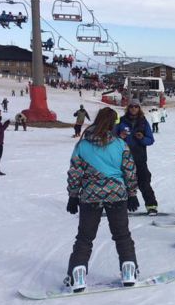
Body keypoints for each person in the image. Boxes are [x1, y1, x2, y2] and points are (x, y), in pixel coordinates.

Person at [64, 107, 140, 293]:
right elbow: (129, 171)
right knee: (122, 235)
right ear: (114, 123)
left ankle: (77, 274)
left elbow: (75, 173)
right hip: (117, 194)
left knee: (85, 237)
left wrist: (73, 196)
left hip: (90, 196)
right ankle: (129, 270)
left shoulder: (82, 145)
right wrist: (132, 194)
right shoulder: (120, 145)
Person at [116, 99, 159, 215]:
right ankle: (121, 206)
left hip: (140, 157)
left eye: (136, 106)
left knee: (144, 182)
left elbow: (151, 140)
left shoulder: (143, 122)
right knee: (123, 182)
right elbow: (112, 138)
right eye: (131, 106)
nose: (134, 109)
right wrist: (120, 136)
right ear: (128, 108)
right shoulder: (121, 121)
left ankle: (151, 205)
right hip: (124, 157)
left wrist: (142, 138)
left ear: (139, 108)